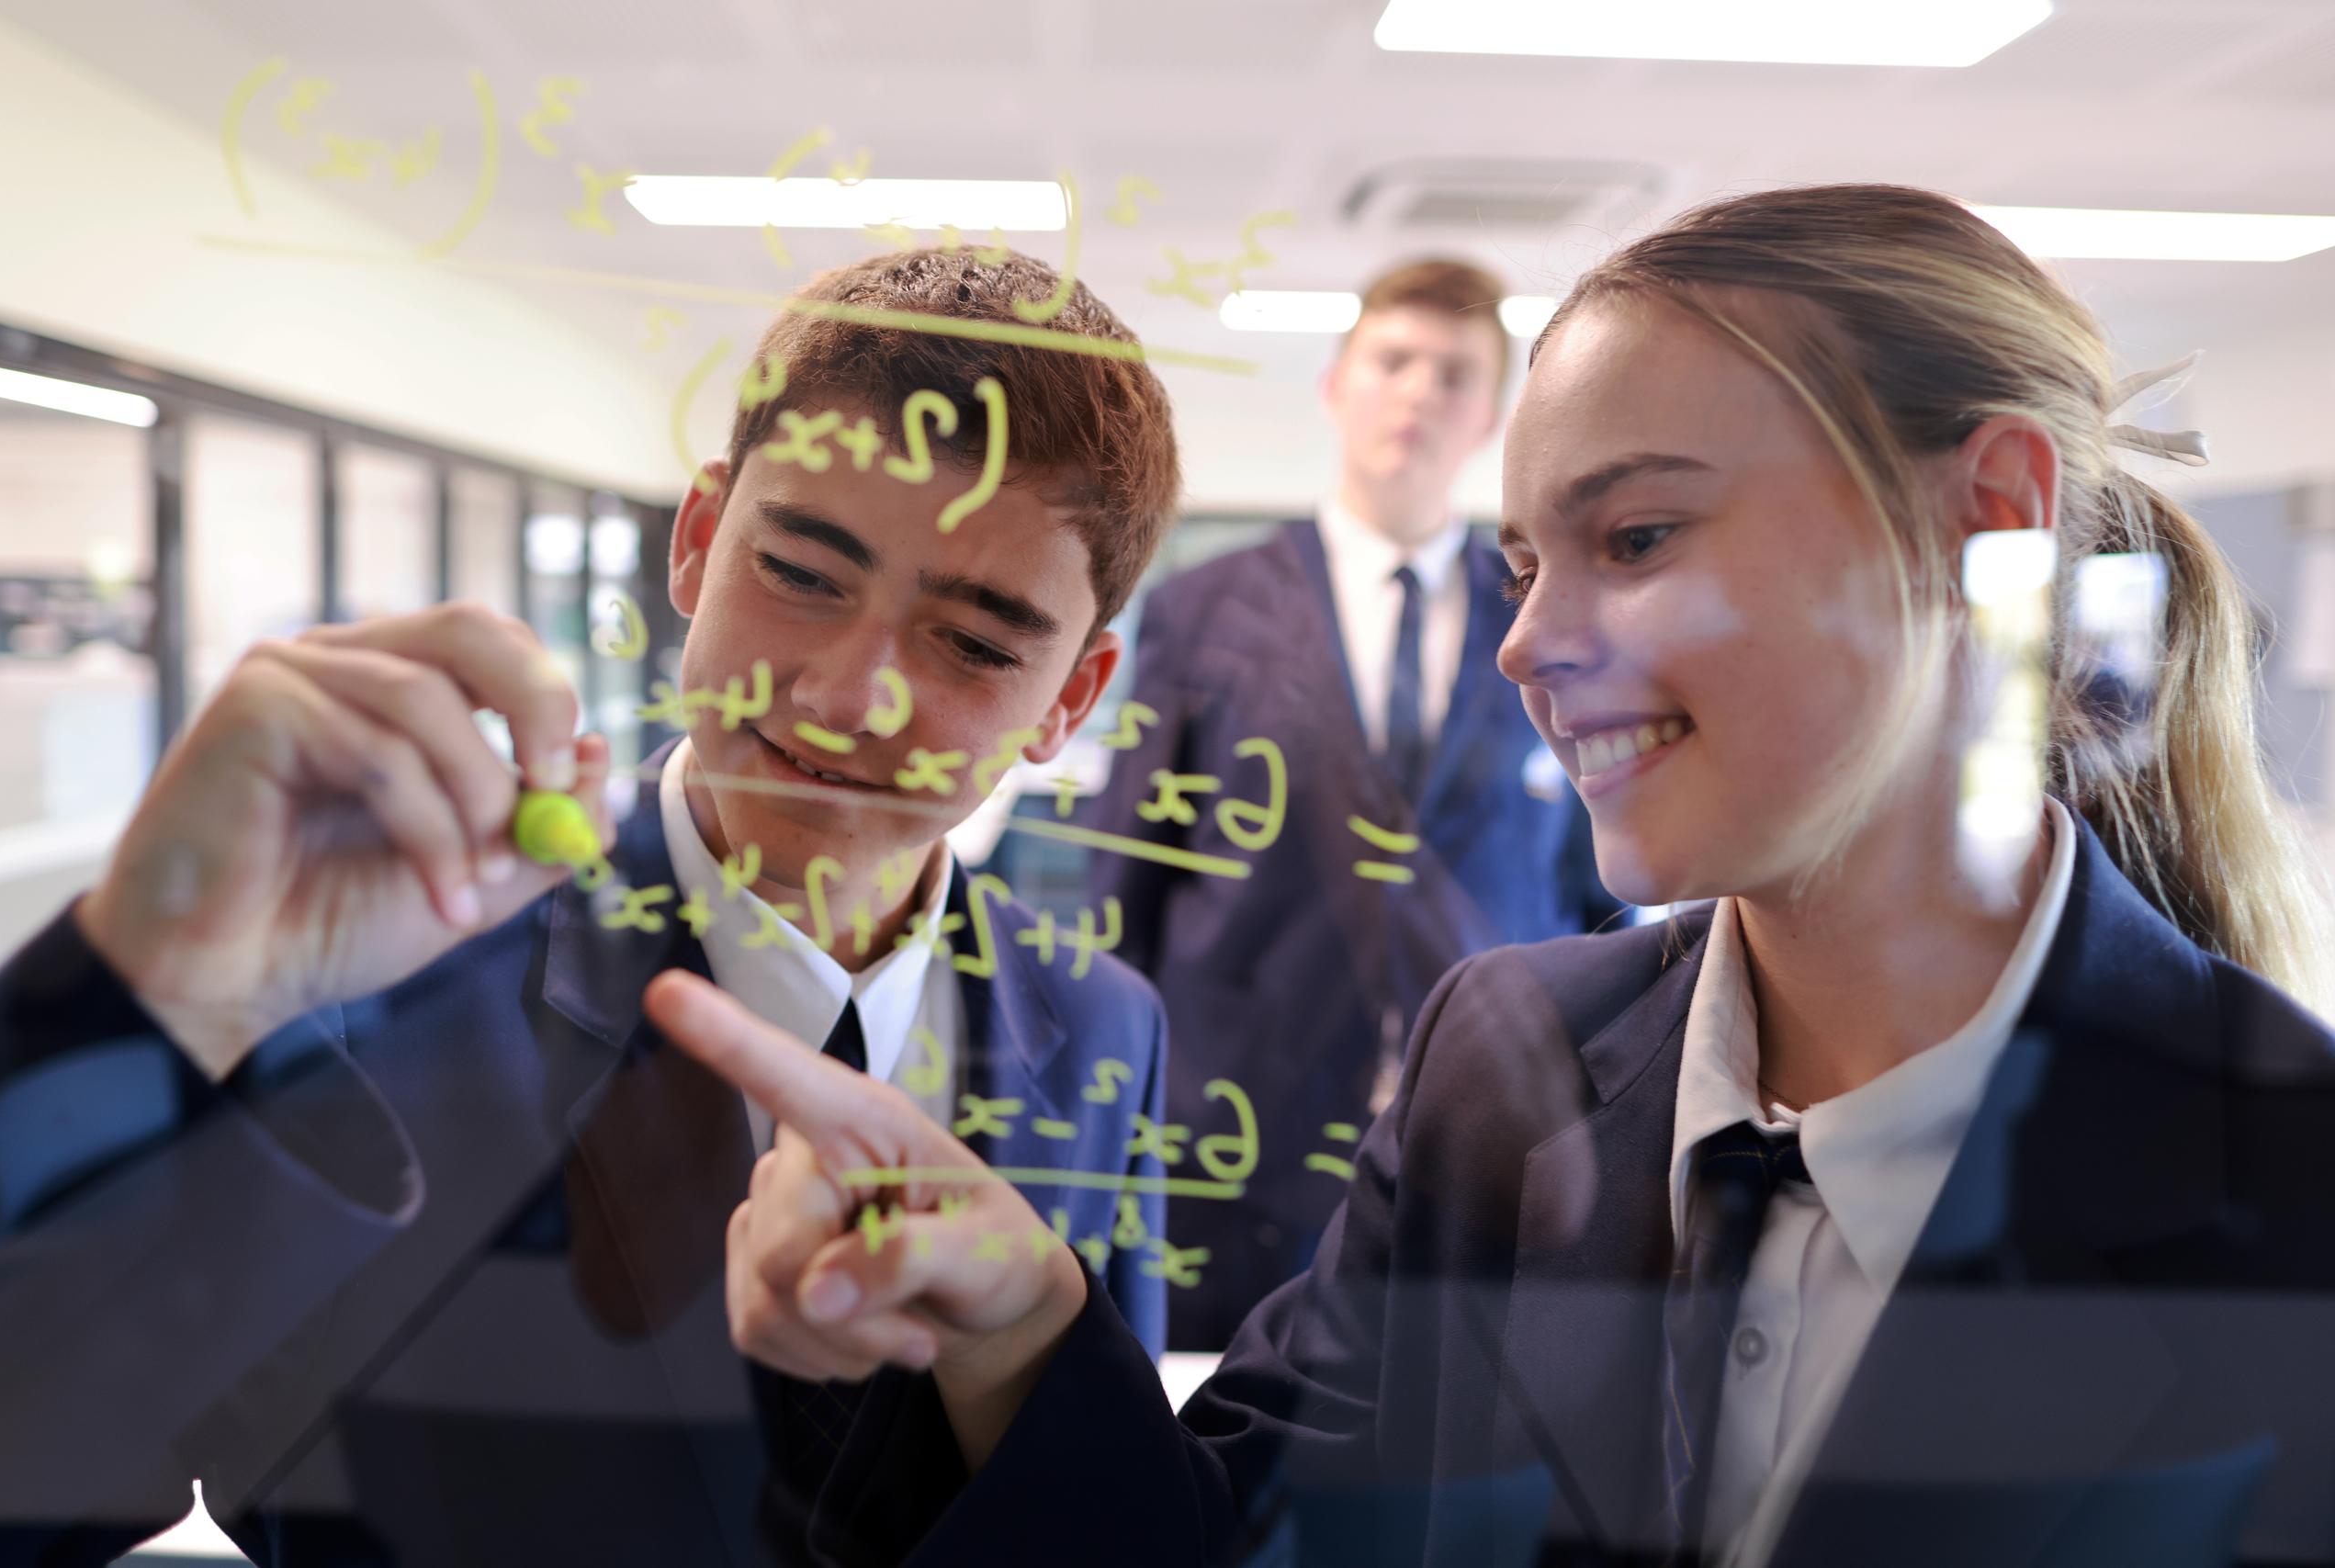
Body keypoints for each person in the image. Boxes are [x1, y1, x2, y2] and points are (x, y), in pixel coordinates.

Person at [652, 184, 2335, 1568]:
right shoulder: (1503, 1070)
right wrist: (1019, 1315)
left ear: (1991, 528)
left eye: (1639, 538)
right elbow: (1214, 1547)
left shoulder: (2287, 1188)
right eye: (1525, 559)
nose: (1527, 642)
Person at [0, 248, 1184, 1563]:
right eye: (802, 571)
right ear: (697, 539)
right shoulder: (367, 983)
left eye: (973, 642)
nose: (849, 696)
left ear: (1072, 694)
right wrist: (140, 989)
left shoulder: (1101, 1024)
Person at [1084, 257, 1622, 1348]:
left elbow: (1590, 891)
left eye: (1454, 372)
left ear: (1491, 416)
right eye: (1393, 360)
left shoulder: (1548, 623)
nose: (1419, 391)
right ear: (1337, 385)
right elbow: (1122, 876)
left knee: (1441, 1455)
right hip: (1234, 1129)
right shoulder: (1206, 611)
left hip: (1483, 1136)